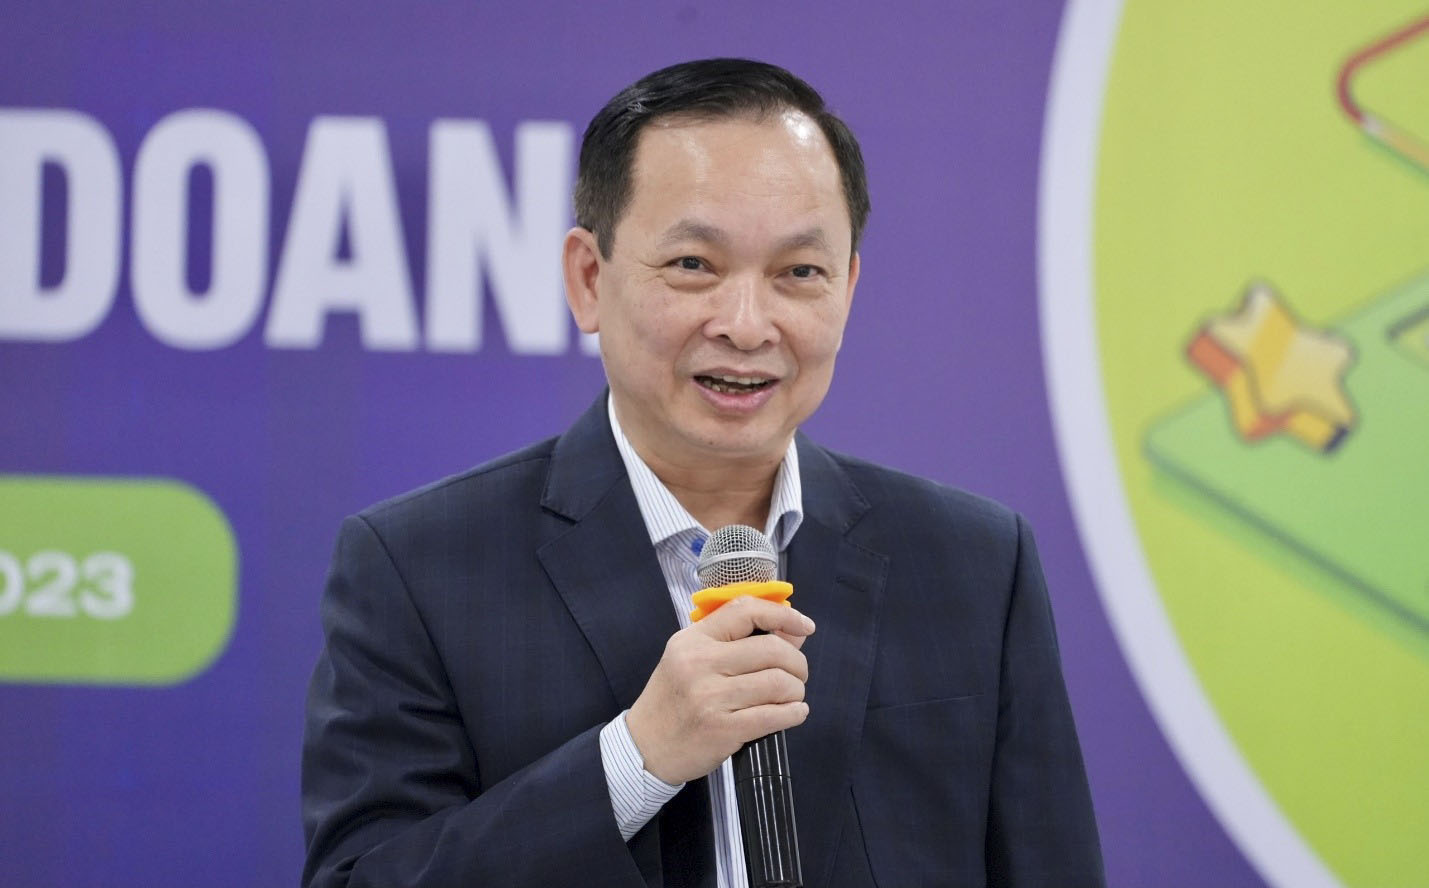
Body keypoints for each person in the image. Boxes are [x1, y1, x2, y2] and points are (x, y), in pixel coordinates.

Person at [301, 58, 1104, 888]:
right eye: (693, 264)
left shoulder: (975, 563)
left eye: (799, 272)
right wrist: (635, 759)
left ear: (848, 287)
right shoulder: (418, 566)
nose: (747, 326)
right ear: (588, 278)